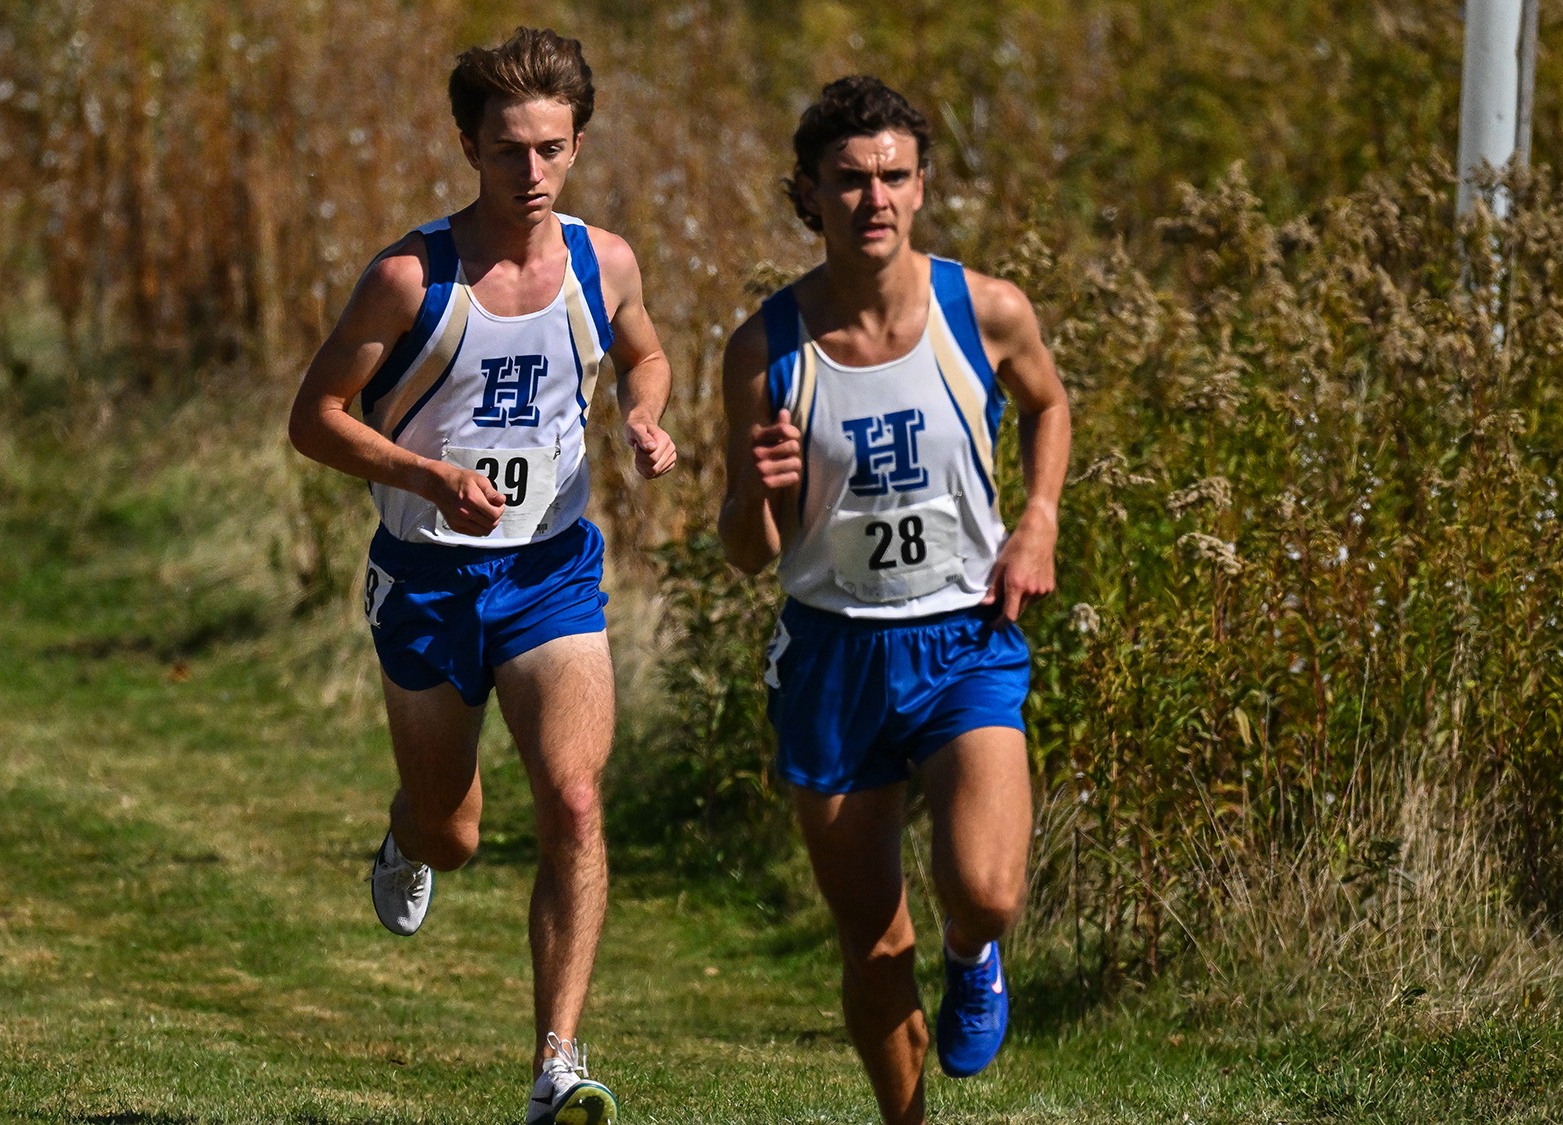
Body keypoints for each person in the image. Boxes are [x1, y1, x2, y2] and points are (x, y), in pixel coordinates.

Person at [287, 28, 674, 1125]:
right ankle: (408, 831)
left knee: (574, 796)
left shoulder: (605, 263)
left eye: (552, 149)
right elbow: (312, 420)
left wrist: (643, 416)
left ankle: (556, 1063)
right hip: (425, 576)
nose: (533, 174)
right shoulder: (410, 279)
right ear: (467, 145)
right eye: (509, 151)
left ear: (579, 145)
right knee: (452, 833)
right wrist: (425, 473)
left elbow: (642, 349)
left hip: (551, 571)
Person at [718, 76, 1071, 1125]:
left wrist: (1037, 521)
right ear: (808, 194)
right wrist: (765, 489)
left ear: (920, 187)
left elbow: (1048, 407)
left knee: (987, 889)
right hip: (832, 654)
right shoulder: (764, 348)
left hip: (964, 635)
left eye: (893, 176)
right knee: (869, 940)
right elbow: (743, 548)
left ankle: (974, 956)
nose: (873, 198)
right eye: (849, 180)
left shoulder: (985, 309)